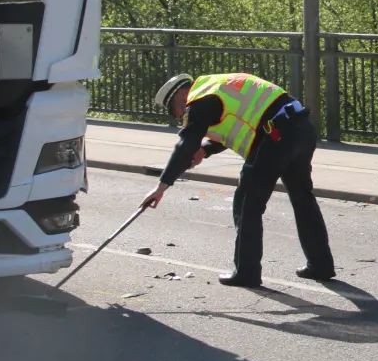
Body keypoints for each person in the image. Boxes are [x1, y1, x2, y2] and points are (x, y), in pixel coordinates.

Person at [141, 72, 336, 287]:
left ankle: (247, 272)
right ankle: (321, 264)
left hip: (275, 135)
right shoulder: (217, 87)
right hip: (299, 127)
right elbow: (239, 124)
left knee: (246, 204)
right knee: (302, 198)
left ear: (182, 93)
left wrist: (161, 187)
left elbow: (185, 144)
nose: (178, 116)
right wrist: (205, 150)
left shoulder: (199, 99)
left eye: (173, 109)